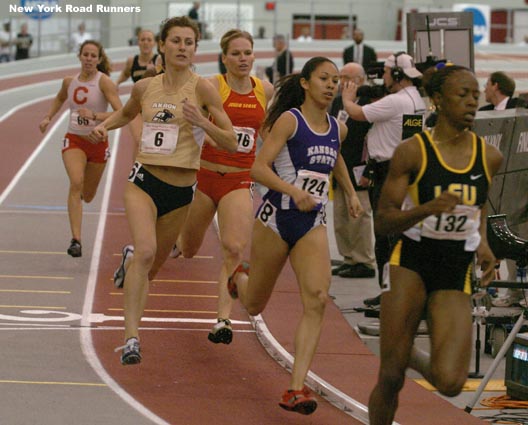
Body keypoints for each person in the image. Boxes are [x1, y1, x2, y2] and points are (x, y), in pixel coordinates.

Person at [89, 16, 237, 365]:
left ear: (195, 49)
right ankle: (130, 339)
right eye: (176, 41)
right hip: (144, 181)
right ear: (162, 46)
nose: (182, 47)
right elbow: (125, 114)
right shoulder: (145, 88)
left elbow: (231, 141)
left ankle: (131, 265)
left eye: (189, 42)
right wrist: (104, 127)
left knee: (151, 267)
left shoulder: (203, 89)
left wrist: (202, 122)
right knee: (145, 252)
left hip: (181, 190)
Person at [366, 64, 503, 425]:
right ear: (438, 101)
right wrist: (426, 209)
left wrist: (484, 245)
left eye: (476, 94)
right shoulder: (413, 151)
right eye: (463, 95)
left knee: (451, 382)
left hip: (455, 267)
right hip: (411, 261)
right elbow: (383, 221)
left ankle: (407, 352)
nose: (473, 102)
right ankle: (397, 360)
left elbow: (479, 205)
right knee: (390, 376)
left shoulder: (489, 157)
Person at [227, 57, 363, 415]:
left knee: (317, 297)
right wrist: (292, 189)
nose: (331, 85)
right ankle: (238, 278)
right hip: (276, 218)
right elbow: (258, 166)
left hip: (311, 223)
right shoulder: (290, 121)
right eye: (324, 78)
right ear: (305, 83)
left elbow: (334, 159)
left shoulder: (338, 128)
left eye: (336, 80)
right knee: (254, 304)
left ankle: (295, 388)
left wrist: (349, 192)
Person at [170, 29, 274, 345]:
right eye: (237, 53)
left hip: (239, 179)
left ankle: (223, 320)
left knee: (233, 247)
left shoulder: (264, 89)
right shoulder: (213, 86)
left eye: (248, 53)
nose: (243, 59)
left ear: (254, 55)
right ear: (224, 57)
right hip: (205, 178)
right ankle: (165, 245)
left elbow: (266, 134)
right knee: (188, 250)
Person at [342, 51, 426, 307]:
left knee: (386, 237)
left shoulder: (397, 101)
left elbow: (357, 113)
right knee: (395, 236)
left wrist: (347, 98)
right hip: (399, 169)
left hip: (388, 171)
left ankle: (391, 296)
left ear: (398, 74)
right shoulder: (415, 99)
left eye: (387, 72)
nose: (384, 77)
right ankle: (392, 293)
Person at [39, 41, 122, 257]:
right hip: (74, 139)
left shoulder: (104, 83)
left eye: (93, 55)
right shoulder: (69, 81)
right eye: (85, 54)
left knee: (88, 194)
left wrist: (95, 116)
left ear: (99, 59)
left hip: (97, 143)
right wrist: (48, 117)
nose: (89, 59)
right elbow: (59, 99)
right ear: (79, 56)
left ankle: (82, 197)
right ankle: (76, 240)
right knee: (76, 183)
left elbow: (120, 112)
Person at [330, 62, 376, 278]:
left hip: (360, 166)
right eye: (339, 78)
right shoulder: (338, 102)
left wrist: (369, 170)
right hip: (340, 166)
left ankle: (364, 260)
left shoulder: (369, 103)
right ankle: (348, 257)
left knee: (359, 216)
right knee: (340, 216)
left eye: (345, 78)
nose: (340, 83)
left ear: (359, 80)